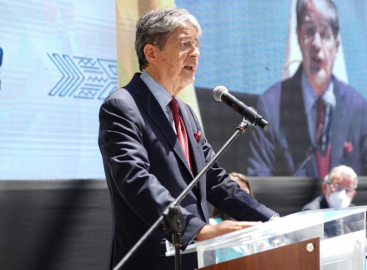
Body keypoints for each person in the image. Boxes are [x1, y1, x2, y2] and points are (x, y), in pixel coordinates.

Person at [98, 8, 278, 270]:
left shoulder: (185, 112)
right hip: (152, 260)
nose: (196, 53)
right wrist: (196, 229)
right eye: (185, 44)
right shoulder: (122, 106)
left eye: (196, 45)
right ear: (151, 53)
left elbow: (214, 179)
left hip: (196, 257)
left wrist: (269, 219)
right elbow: (135, 180)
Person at [247, 0, 367, 178]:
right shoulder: (271, 105)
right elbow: (259, 179)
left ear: (336, 46)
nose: (316, 44)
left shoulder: (358, 107)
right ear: (299, 37)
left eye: (324, 34)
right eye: (309, 31)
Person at [302, 165, 367, 251]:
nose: (341, 194)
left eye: (348, 190)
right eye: (337, 186)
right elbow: (318, 250)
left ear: (353, 194)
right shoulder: (310, 213)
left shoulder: (355, 213)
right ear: (325, 187)